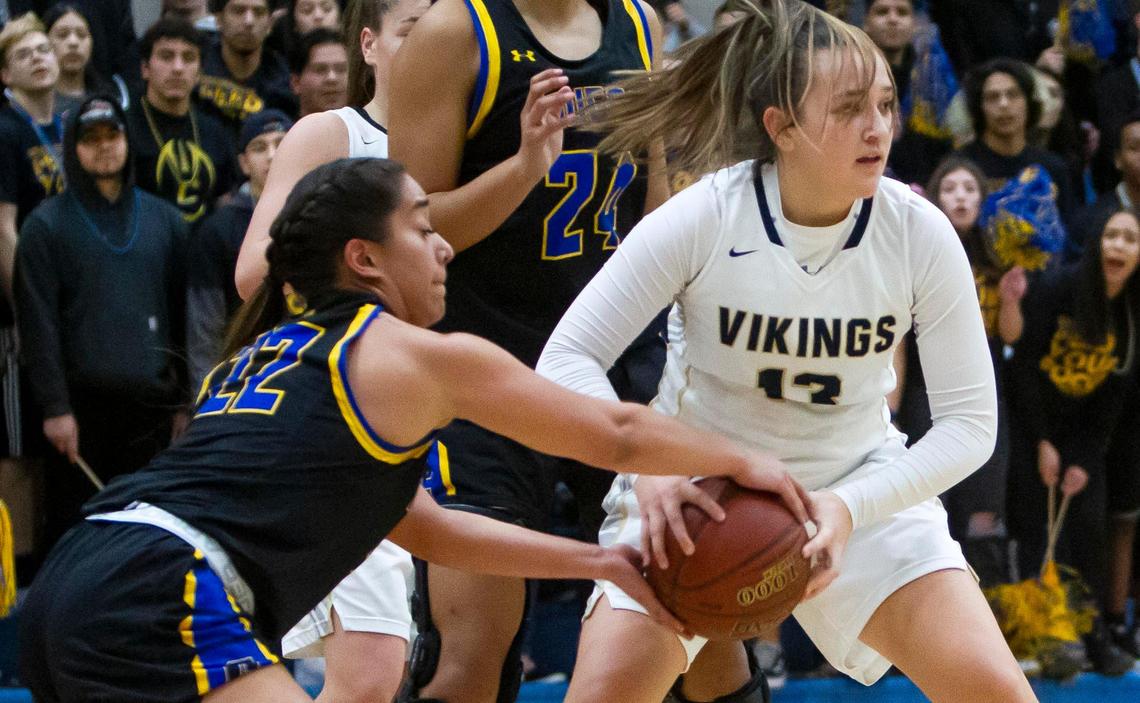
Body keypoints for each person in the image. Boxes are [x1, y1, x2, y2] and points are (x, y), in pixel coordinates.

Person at [18, 156, 808, 703]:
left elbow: (428, 530)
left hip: (75, 575)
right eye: (423, 226)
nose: (443, 246)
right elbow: (616, 433)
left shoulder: (262, 358)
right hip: (162, 586)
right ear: (364, 258)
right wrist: (749, 458)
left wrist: (602, 558)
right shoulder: (416, 356)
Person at [535, 2, 1037, 701]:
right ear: (782, 127)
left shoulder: (917, 231)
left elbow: (970, 426)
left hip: (856, 484)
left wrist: (848, 504)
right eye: (850, 108)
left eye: (887, 105)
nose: (879, 128)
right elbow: (563, 360)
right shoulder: (707, 212)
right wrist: (648, 470)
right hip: (695, 499)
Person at [384, 1, 682, 701]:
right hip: (488, 370)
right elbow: (412, 225)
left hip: (619, 363)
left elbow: (658, 199)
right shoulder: (455, 33)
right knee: (471, 658)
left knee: (688, 627)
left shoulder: (639, 24)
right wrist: (524, 166)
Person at [234, 3, 434, 701]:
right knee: (369, 666)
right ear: (370, 44)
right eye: (414, 27)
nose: (434, 40)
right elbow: (254, 272)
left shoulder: (473, 143)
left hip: (440, 416)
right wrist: (371, 262)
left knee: (414, 662)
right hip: (340, 410)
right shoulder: (333, 131)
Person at [14, 95, 189, 557]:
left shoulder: (166, 221)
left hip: (151, 410)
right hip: (79, 415)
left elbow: (182, 318)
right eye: (91, 139)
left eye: (113, 135)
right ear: (73, 149)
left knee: (151, 535)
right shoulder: (44, 226)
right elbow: (38, 326)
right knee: (79, 538)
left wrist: (184, 404)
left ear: (128, 140)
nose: (104, 147)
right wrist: (54, 408)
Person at [1006, 205, 1140, 676]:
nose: (1119, 245)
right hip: (1028, 420)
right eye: (1112, 236)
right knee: (1037, 529)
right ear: (1097, 243)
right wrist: (1042, 440)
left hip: (1084, 431)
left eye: (1130, 239)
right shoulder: (1058, 288)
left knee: (1089, 526)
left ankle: (1093, 635)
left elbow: (1114, 398)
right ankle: (1047, 636)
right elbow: (1021, 367)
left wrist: (1083, 457)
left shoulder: (1129, 315)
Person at [891, 155, 1025, 586]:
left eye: (970, 188)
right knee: (929, 503)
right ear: (935, 197)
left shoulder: (998, 259)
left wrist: (1009, 301)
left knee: (984, 507)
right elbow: (899, 335)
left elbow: (1010, 337)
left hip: (985, 391)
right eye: (951, 188)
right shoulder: (918, 252)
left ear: (983, 200)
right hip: (925, 392)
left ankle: (986, 611)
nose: (961, 196)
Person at [187, 109, 290, 389]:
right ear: (243, 163)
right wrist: (206, 395)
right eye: (260, 147)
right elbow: (204, 331)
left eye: (281, 143)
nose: (272, 154)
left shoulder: (322, 216)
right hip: (239, 379)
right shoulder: (217, 230)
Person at [128, 17, 239, 225]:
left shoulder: (215, 131)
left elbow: (225, 204)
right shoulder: (125, 128)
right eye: (166, 56)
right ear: (145, 68)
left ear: (199, 73)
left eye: (188, 58)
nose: (178, 68)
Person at [957, 57, 1076, 226]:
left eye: (1013, 95)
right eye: (992, 97)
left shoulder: (1053, 168)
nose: (1004, 104)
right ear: (979, 107)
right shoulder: (961, 167)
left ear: (1029, 102)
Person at [199, 0, 297, 133]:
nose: (249, 21)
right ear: (218, 20)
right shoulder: (197, 68)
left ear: (270, 23)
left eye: (258, 12)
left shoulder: (284, 84)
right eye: (238, 11)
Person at [288, 27, 347, 117]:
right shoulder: (282, 128)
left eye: (341, 69)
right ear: (296, 82)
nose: (332, 78)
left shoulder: (372, 129)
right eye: (320, 70)